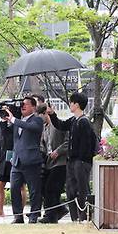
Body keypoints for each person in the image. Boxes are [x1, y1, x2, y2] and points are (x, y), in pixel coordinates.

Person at [47, 92, 94, 222]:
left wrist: (81, 160)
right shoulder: (74, 120)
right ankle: (75, 218)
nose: (70, 104)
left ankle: (83, 217)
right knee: (71, 190)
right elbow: (61, 125)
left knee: (81, 190)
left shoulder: (84, 122)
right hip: (72, 161)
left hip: (81, 162)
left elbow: (87, 145)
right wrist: (52, 114)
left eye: (71, 102)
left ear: (77, 104)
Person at [1, 97, 44, 224]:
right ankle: (18, 216)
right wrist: (5, 121)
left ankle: (34, 215)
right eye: (21, 104)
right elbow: (7, 136)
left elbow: (30, 127)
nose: (22, 106)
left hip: (31, 161)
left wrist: (14, 120)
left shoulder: (37, 120)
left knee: (34, 189)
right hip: (17, 161)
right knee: (14, 188)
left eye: (25, 104)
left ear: (33, 107)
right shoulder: (17, 121)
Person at [38, 104, 69, 224]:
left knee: (51, 188)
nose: (42, 117)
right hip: (49, 163)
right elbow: (44, 145)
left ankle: (52, 215)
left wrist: (59, 151)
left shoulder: (58, 125)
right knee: (46, 188)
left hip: (60, 162)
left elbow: (68, 141)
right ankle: (58, 210)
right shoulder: (44, 128)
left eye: (43, 114)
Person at [0, 105, 26, 217]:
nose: (5, 114)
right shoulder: (1, 124)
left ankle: (19, 212)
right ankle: (0, 210)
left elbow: (9, 138)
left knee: (20, 185)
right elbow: (0, 141)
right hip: (4, 159)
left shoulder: (18, 123)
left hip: (16, 156)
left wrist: (11, 121)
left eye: (7, 111)